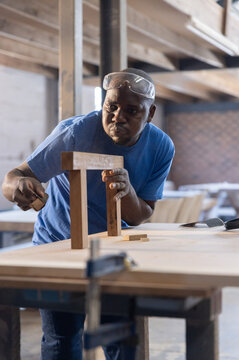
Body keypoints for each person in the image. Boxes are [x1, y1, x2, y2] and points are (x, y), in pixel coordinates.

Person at [2, 68, 175, 360]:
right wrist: (18, 187)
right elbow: (14, 177)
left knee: (120, 338)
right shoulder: (76, 132)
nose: (118, 116)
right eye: (111, 106)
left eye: (132, 111)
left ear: (151, 113)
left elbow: (140, 215)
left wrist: (127, 191)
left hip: (111, 249)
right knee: (61, 340)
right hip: (57, 247)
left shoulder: (160, 147)